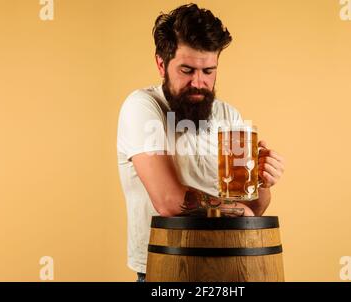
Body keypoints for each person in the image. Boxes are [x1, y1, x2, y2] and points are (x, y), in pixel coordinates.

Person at [117, 3, 285, 282]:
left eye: (208, 71)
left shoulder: (228, 116)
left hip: (232, 267)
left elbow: (252, 207)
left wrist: (263, 182)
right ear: (161, 64)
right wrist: (235, 208)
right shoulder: (143, 107)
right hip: (167, 269)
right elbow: (170, 202)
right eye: (187, 70)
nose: (199, 82)